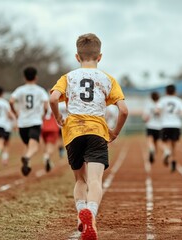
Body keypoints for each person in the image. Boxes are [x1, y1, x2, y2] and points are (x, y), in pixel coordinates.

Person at [50, 33, 128, 240]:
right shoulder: (108, 79)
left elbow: (53, 98)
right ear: (100, 57)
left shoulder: (68, 77)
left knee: (80, 180)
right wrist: (115, 132)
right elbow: (124, 110)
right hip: (96, 131)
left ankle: (80, 214)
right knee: (95, 180)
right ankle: (90, 215)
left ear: (77, 56)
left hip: (73, 131)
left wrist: (58, 116)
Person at [9, 67, 49, 176]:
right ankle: (27, 158)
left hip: (22, 123)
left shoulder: (20, 89)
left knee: (27, 146)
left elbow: (11, 101)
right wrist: (43, 114)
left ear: (24, 77)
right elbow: (46, 105)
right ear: (36, 77)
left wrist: (15, 112)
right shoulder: (40, 90)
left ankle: (27, 166)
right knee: (34, 147)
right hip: (35, 122)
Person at [156, 84, 182, 172]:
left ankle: (166, 151)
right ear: (175, 91)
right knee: (174, 145)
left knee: (162, 142)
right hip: (176, 125)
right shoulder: (179, 101)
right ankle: (173, 162)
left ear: (166, 92)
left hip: (165, 124)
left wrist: (158, 113)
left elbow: (157, 110)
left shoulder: (162, 100)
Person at [0, 86, 14, 161]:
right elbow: (9, 114)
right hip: (1, 125)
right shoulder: (4, 103)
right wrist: (15, 120)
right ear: (2, 93)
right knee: (2, 142)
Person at [142, 92, 162, 163]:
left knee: (150, 141)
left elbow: (145, 117)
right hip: (159, 127)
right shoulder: (160, 104)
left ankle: (151, 148)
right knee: (156, 142)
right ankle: (154, 154)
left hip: (150, 126)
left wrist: (144, 120)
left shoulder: (148, 105)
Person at [41, 104, 60, 172]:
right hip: (53, 126)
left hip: (44, 126)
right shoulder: (55, 104)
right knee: (51, 146)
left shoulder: (43, 104)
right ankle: (47, 156)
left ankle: (48, 159)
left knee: (46, 144)